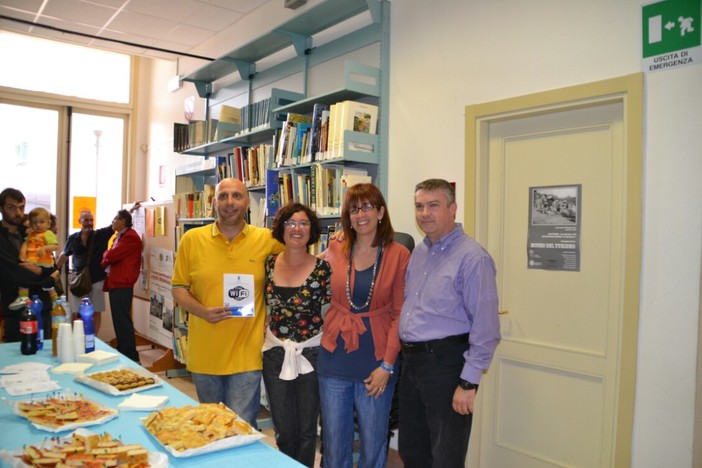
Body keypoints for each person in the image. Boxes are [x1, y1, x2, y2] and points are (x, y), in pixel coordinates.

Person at [398, 179, 501, 468]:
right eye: (419, 206)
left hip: (446, 367)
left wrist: (468, 383)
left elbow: (487, 328)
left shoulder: (472, 258)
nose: (425, 213)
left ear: (452, 208)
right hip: (412, 365)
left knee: (446, 455)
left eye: (434, 205)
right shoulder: (419, 252)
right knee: (413, 450)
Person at [171, 177, 284, 426]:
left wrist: (341, 242)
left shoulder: (267, 239)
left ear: (247, 204)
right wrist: (203, 311)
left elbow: (300, 259)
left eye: (236, 196)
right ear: (214, 203)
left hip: (247, 354)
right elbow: (178, 288)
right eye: (223, 196)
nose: (229, 202)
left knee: (240, 428)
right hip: (205, 355)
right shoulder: (192, 239)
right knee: (211, 427)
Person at [317, 183, 410, 468]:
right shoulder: (336, 248)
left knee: (373, 444)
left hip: (376, 363)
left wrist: (387, 366)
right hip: (335, 358)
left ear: (381, 212)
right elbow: (312, 281)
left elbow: (399, 315)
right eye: (354, 209)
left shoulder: (398, 255)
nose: (361, 215)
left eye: (367, 207)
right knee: (334, 443)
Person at [261, 202, 331, 467]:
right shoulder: (268, 264)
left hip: (312, 354)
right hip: (275, 353)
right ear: (281, 228)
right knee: (283, 429)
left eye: (303, 223)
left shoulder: (323, 269)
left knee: (305, 431)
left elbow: (330, 311)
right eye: (291, 223)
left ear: (311, 230)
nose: (297, 228)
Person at [0, 188, 57, 342]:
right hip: (16, 311)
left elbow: (52, 264)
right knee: (18, 363)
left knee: (46, 359)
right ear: (1, 208)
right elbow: (15, 274)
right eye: (12, 207)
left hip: (43, 308)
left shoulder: (32, 231)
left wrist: (44, 271)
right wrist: (47, 277)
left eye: (21, 207)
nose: (18, 212)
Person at [56, 209, 116, 334]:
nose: (89, 223)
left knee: (96, 311)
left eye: (91, 220)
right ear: (80, 221)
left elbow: (115, 225)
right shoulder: (73, 238)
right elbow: (64, 254)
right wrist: (54, 270)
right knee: (77, 312)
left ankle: (94, 339)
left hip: (97, 280)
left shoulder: (100, 235)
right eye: (86, 220)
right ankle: (78, 337)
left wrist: (130, 210)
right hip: (79, 281)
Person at [101, 209, 143, 362]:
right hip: (116, 282)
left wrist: (106, 255)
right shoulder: (119, 236)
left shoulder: (131, 237)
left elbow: (111, 255)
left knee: (123, 320)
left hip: (122, 283)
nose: (112, 222)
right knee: (118, 320)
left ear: (123, 221)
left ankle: (130, 354)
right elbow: (108, 255)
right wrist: (107, 256)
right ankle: (123, 349)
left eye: (115, 219)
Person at [8, 207, 60, 309]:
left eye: (41, 222)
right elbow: (25, 243)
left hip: (45, 263)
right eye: (35, 223)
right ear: (31, 225)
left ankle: (54, 299)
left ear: (48, 224)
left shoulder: (48, 234)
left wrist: (45, 248)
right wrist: (22, 253)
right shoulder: (31, 235)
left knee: (46, 283)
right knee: (27, 277)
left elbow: (55, 246)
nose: (38, 225)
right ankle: (24, 296)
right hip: (32, 261)